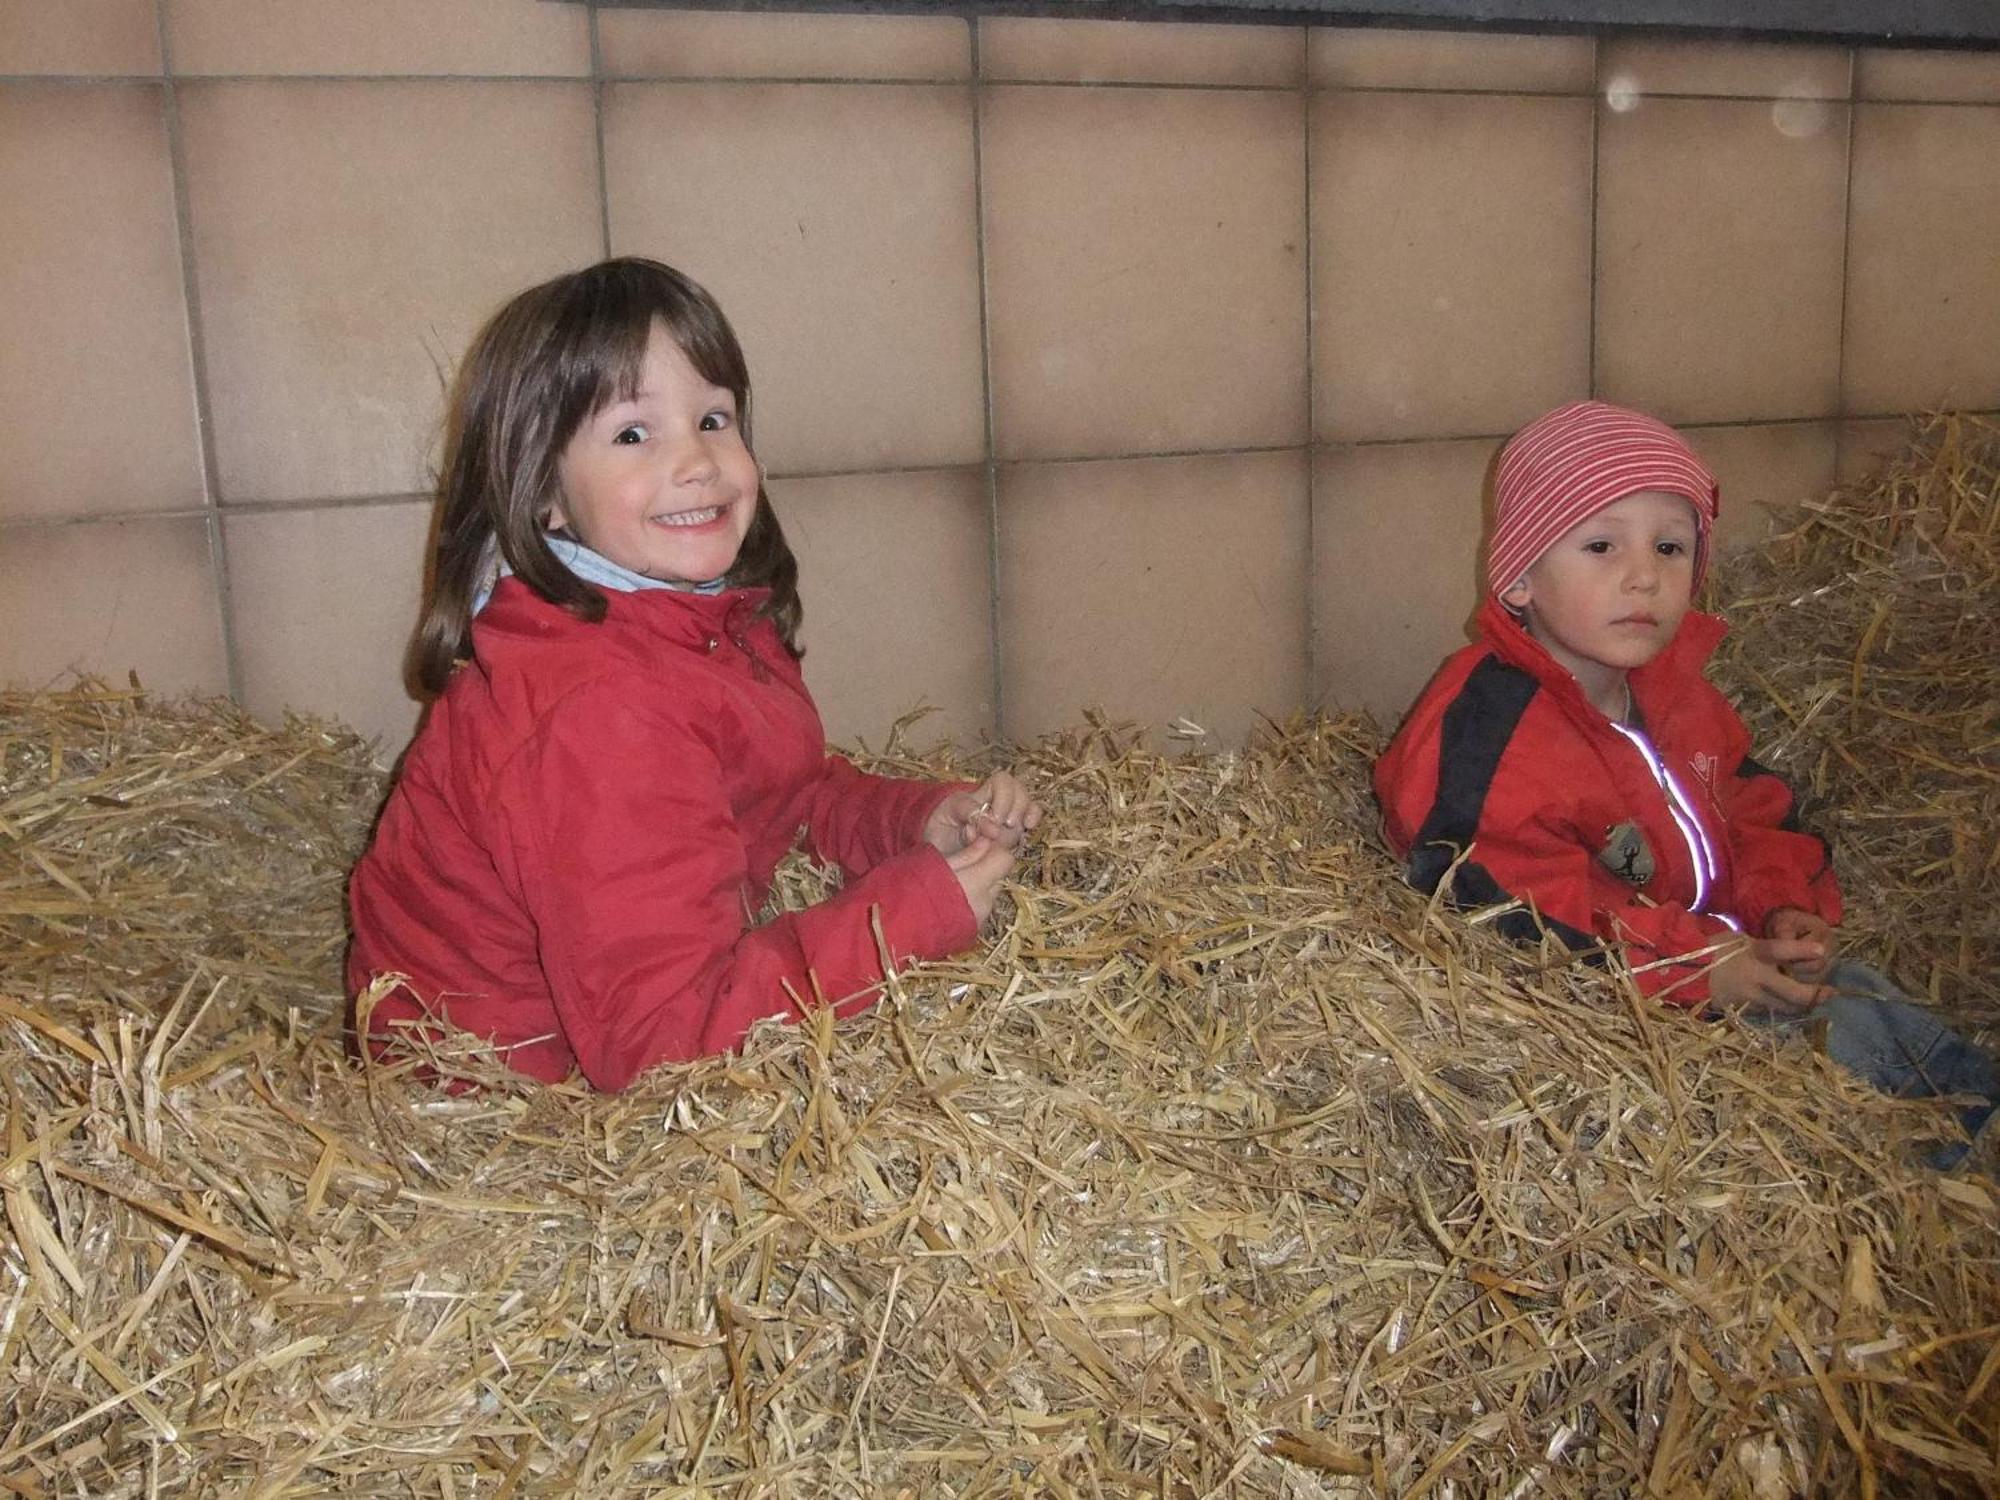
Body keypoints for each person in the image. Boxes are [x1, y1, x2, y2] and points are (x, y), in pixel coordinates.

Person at [348, 257, 1040, 1091]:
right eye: (634, 434)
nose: (699, 461)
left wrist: (915, 824)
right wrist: (910, 920)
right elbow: (663, 1049)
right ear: (545, 495)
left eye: (714, 418)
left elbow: (771, 796)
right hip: (507, 1113)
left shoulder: (682, 619)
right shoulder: (600, 709)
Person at [1374, 400, 1996, 1165]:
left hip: (1709, 953)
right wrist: (1697, 967)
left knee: (1858, 990)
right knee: (1839, 1040)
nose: (1644, 577)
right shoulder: (1493, 729)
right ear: (1520, 578)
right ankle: (1934, 1183)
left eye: (1671, 548)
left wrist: (1781, 908)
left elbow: (1750, 804)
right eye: (1601, 545)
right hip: (1619, 1008)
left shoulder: (1676, 697)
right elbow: (1504, 901)